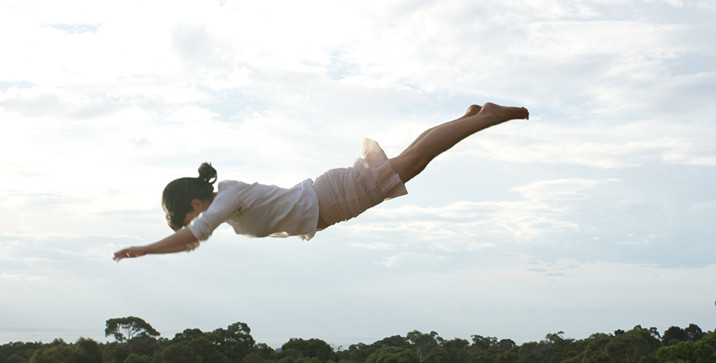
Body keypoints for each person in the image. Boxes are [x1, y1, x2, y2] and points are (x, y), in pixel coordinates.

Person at [113, 102, 529, 261]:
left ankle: (486, 118)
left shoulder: (226, 199)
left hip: (334, 198)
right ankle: (470, 118)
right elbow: (195, 237)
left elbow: (195, 238)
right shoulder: (228, 202)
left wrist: (144, 250)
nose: (192, 226)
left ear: (195, 205)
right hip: (331, 199)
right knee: (412, 162)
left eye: (187, 220)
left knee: (414, 160)